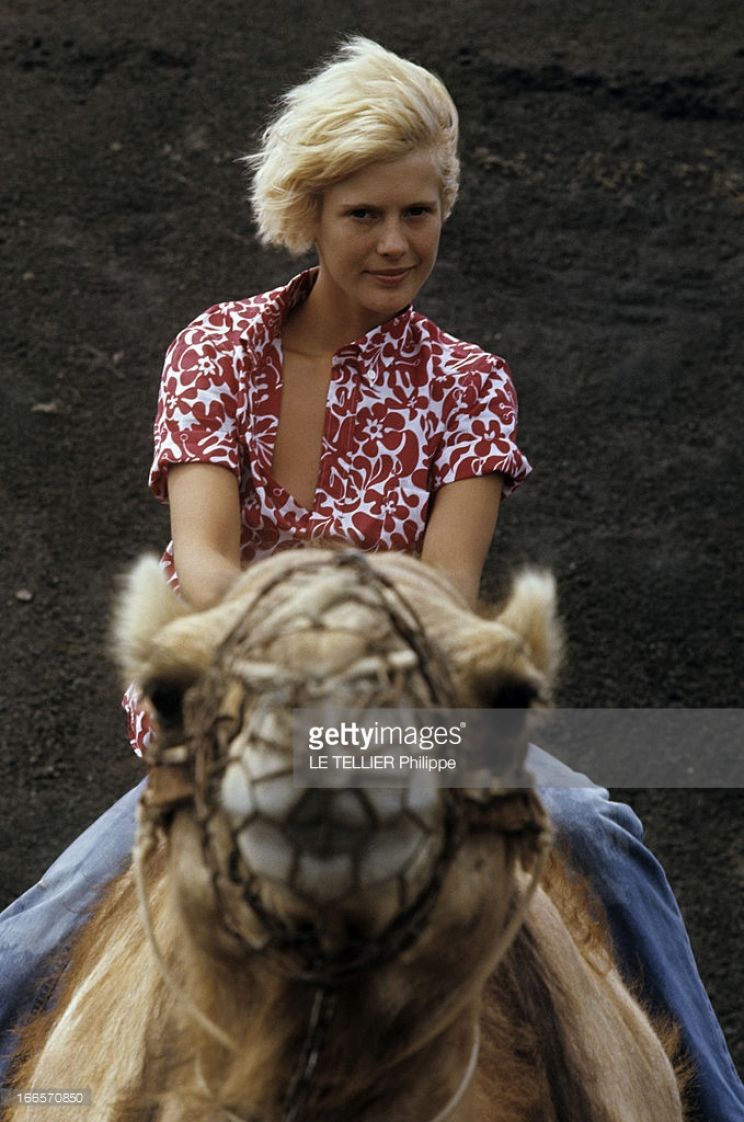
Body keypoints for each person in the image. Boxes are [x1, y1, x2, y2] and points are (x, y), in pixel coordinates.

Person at [1, 37, 742, 1120]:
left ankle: (718, 1104)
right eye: (363, 215)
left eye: (419, 213)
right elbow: (204, 560)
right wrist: (297, 676)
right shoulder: (215, 349)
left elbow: (444, 590)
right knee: (24, 945)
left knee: (595, 832)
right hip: (241, 712)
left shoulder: (471, 384)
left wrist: (358, 688)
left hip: (417, 710)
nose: (396, 244)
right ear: (308, 214)